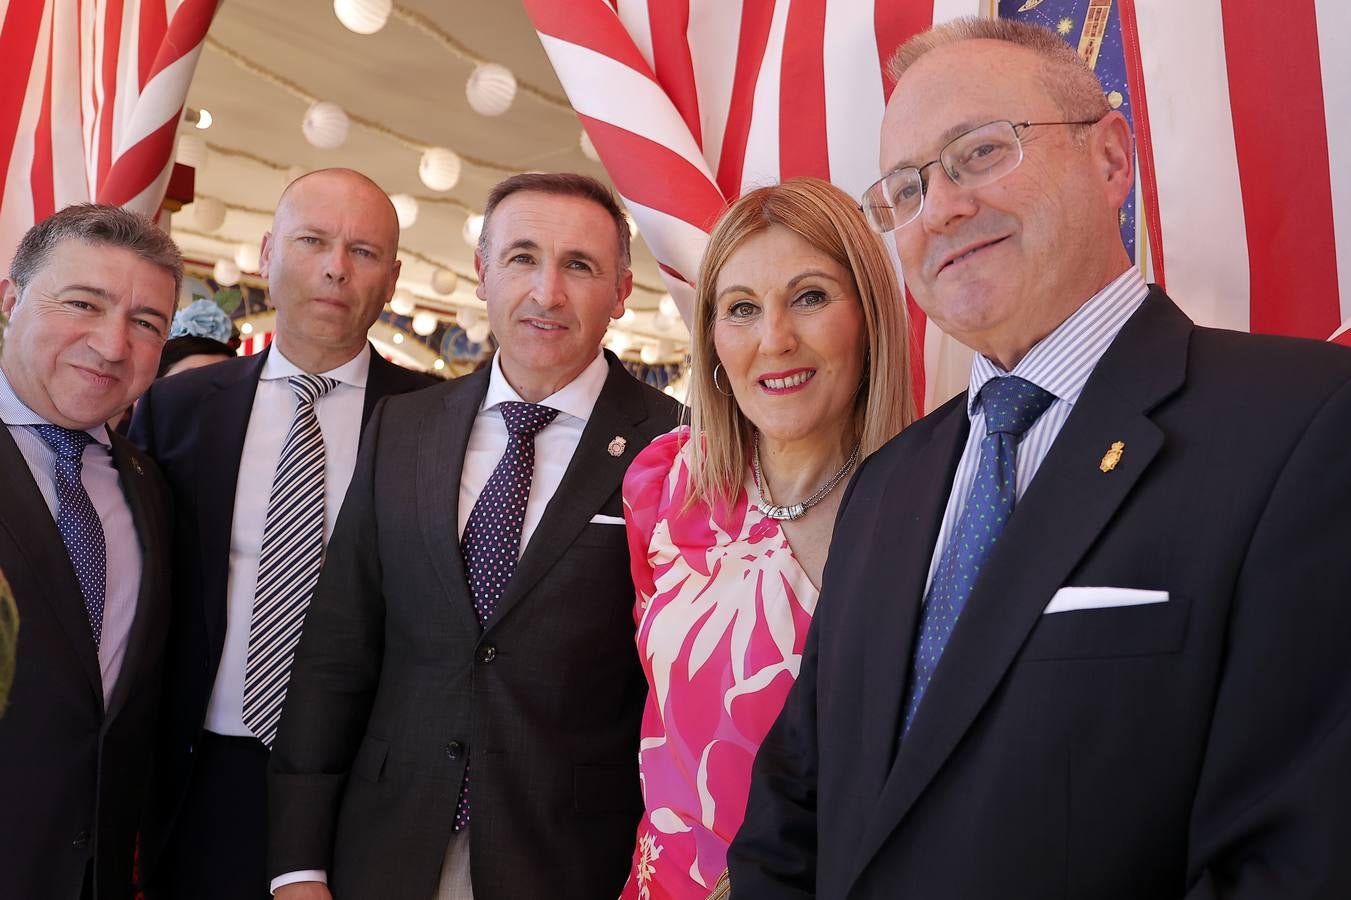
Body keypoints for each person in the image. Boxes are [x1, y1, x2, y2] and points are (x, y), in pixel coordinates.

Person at [729, 17, 1351, 899]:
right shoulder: (888, 483)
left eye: (980, 152)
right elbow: (793, 803)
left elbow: (1299, 856)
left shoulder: (1307, 426)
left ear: (1109, 160)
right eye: (903, 190)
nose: (939, 207)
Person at [267, 172, 683, 900]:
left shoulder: (677, 446)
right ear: (482, 272)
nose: (546, 293)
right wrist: (298, 865)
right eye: (522, 258)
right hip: (385, 847)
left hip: (572, 861)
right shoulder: (404, 428)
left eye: (578, 266)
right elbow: (337, 650)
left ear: (621, 294)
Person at [129, 168, 436, 900]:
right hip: (201, 767)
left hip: (364, 776)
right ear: (267, 253)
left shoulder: (439, 423)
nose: (336, 266)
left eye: (364, 251)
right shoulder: (177, 410)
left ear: (391, 281)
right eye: (313, 241)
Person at [619, 177, 913, 899]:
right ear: (713, 338)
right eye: (741, 309)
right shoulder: (668, 488)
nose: (774, 339)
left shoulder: (933, 505)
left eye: (809, 297)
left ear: (868, 316)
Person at [0, 204, 178, 900]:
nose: (111, 345)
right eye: (83, 303)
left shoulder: (149, 486)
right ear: (12, 298)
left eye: (146, 323)